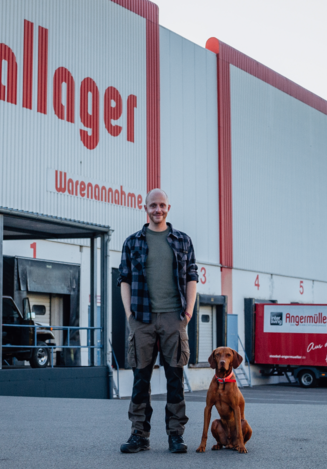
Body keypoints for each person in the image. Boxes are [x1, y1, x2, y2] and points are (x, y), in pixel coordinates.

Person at [118, 188, 198, 454]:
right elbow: (124, 280)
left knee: (175, 378)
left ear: (168, 208)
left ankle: (176, 435)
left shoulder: (183, 241)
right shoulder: (132, 242)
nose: (158, 210)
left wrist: (188, 313)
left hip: (174, 317)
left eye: (162, 205)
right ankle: (139, 435)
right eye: (153, 205)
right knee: (141, 379)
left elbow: (191, 277)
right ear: (145, 208)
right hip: (142, 317)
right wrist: (130, 315)